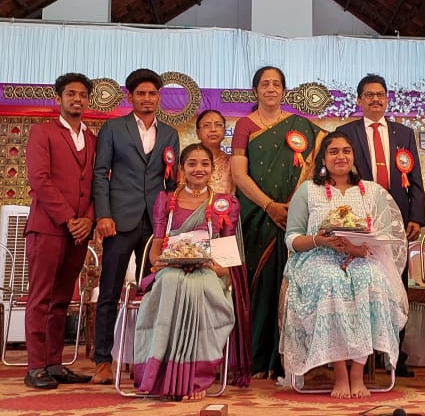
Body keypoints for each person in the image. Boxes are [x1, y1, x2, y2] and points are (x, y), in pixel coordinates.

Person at [281, 131, 409, 398]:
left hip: (362, 256)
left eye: (346, 151)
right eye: (333, 151)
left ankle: (357, 374)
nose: (341, 156)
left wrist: (357, 248)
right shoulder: (308, 190)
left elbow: (386, 237)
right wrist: (318, 241)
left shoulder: (372, 191)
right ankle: (340, 373)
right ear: (323, 159)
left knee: (370, 279)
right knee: (331, 282)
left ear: (354, 157)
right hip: (317, 257)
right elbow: (291, 238)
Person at [230, 66, 325, 379]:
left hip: (293, 217)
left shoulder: (301, 126)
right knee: (260, 285)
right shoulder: (244, 125)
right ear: (255, 90)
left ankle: (287, 359)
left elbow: (319, 158)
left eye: (276, 84)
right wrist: (269, 206)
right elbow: (239, 174)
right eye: (264, 84)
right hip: (257, 214)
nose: (270, 89)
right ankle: (259, 358)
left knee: (291, 284)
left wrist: (293, 208)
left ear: (284, 90)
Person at [133, 144, 245, 400]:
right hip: (171, 268)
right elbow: (157, 247)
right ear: (182, 169)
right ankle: (162, 377)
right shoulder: (166, 200)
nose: (198, 169)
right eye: (192, 164)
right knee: (171, 282)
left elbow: (226, 251)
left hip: (208, 270)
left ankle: (195, 379)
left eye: (204, 164)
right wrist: (164, 260)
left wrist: (215, 266)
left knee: (200, 289)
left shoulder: (225, 203)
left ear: (212, 169)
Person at [90, 68, 180, 384]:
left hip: (155, 225)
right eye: (141, 93)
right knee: (109, 292)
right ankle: (103, 361)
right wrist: (103, 215)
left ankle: (147, 360)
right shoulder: (114, 128)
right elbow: (100, 173)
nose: (147, 98)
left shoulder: (169, 134)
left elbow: (171, 181)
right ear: (131, 97)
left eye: (152, 93)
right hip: (118, 221)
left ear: (159, 97)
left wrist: (170, 222)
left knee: (153, 293)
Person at [335, 73, 425, 378]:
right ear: (359, 100)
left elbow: (415, 178)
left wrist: (416, 216)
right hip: (358, 218)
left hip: (396, 220)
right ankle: (359, 354)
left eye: (381, 95)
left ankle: (394, 355)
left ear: (387, 99)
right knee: (359, 282)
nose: (376, 99)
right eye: (369, 95)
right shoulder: (346, 132)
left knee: (395, 283)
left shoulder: (404, 133)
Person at [22, 73, 97, 389]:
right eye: (70, 94)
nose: (77, 99)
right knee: (41, 297)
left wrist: (88, 219)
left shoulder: (92, 139)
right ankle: (35, 367)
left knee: (62, 299)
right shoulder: (42, 132)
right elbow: (39, 179)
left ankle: (53, 363)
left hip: (79, 232)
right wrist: (69, 218)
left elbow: (97, 184)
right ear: (58, 98)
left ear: (88, 100)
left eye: (82, 94)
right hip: (48, 227)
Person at [196, 109, 235, 195]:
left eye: (218, 125)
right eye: (207, 125)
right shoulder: (189, 161)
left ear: (225, 131)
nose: (213, 129)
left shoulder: (232, 162)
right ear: (198, 133)